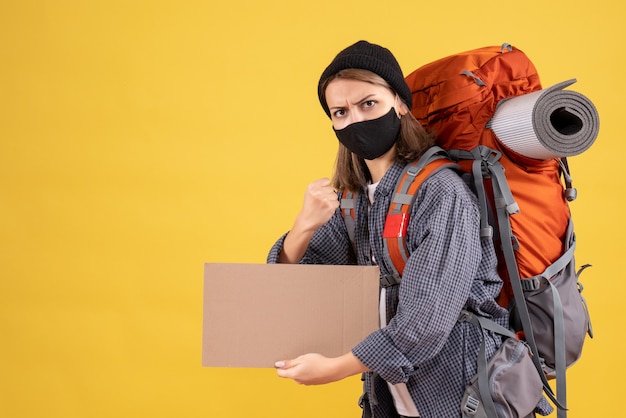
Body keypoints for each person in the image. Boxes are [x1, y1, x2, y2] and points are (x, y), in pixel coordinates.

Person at [267, 40, 547, 418]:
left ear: (399, 103)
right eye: (340, 111)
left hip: (465, 397)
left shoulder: (441, 191)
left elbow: (425, 322)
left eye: (369, 103)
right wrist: (302, 228)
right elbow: (300, 295)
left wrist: (334, 368)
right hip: (392, 400)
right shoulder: (351, 199)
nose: (356, 120)